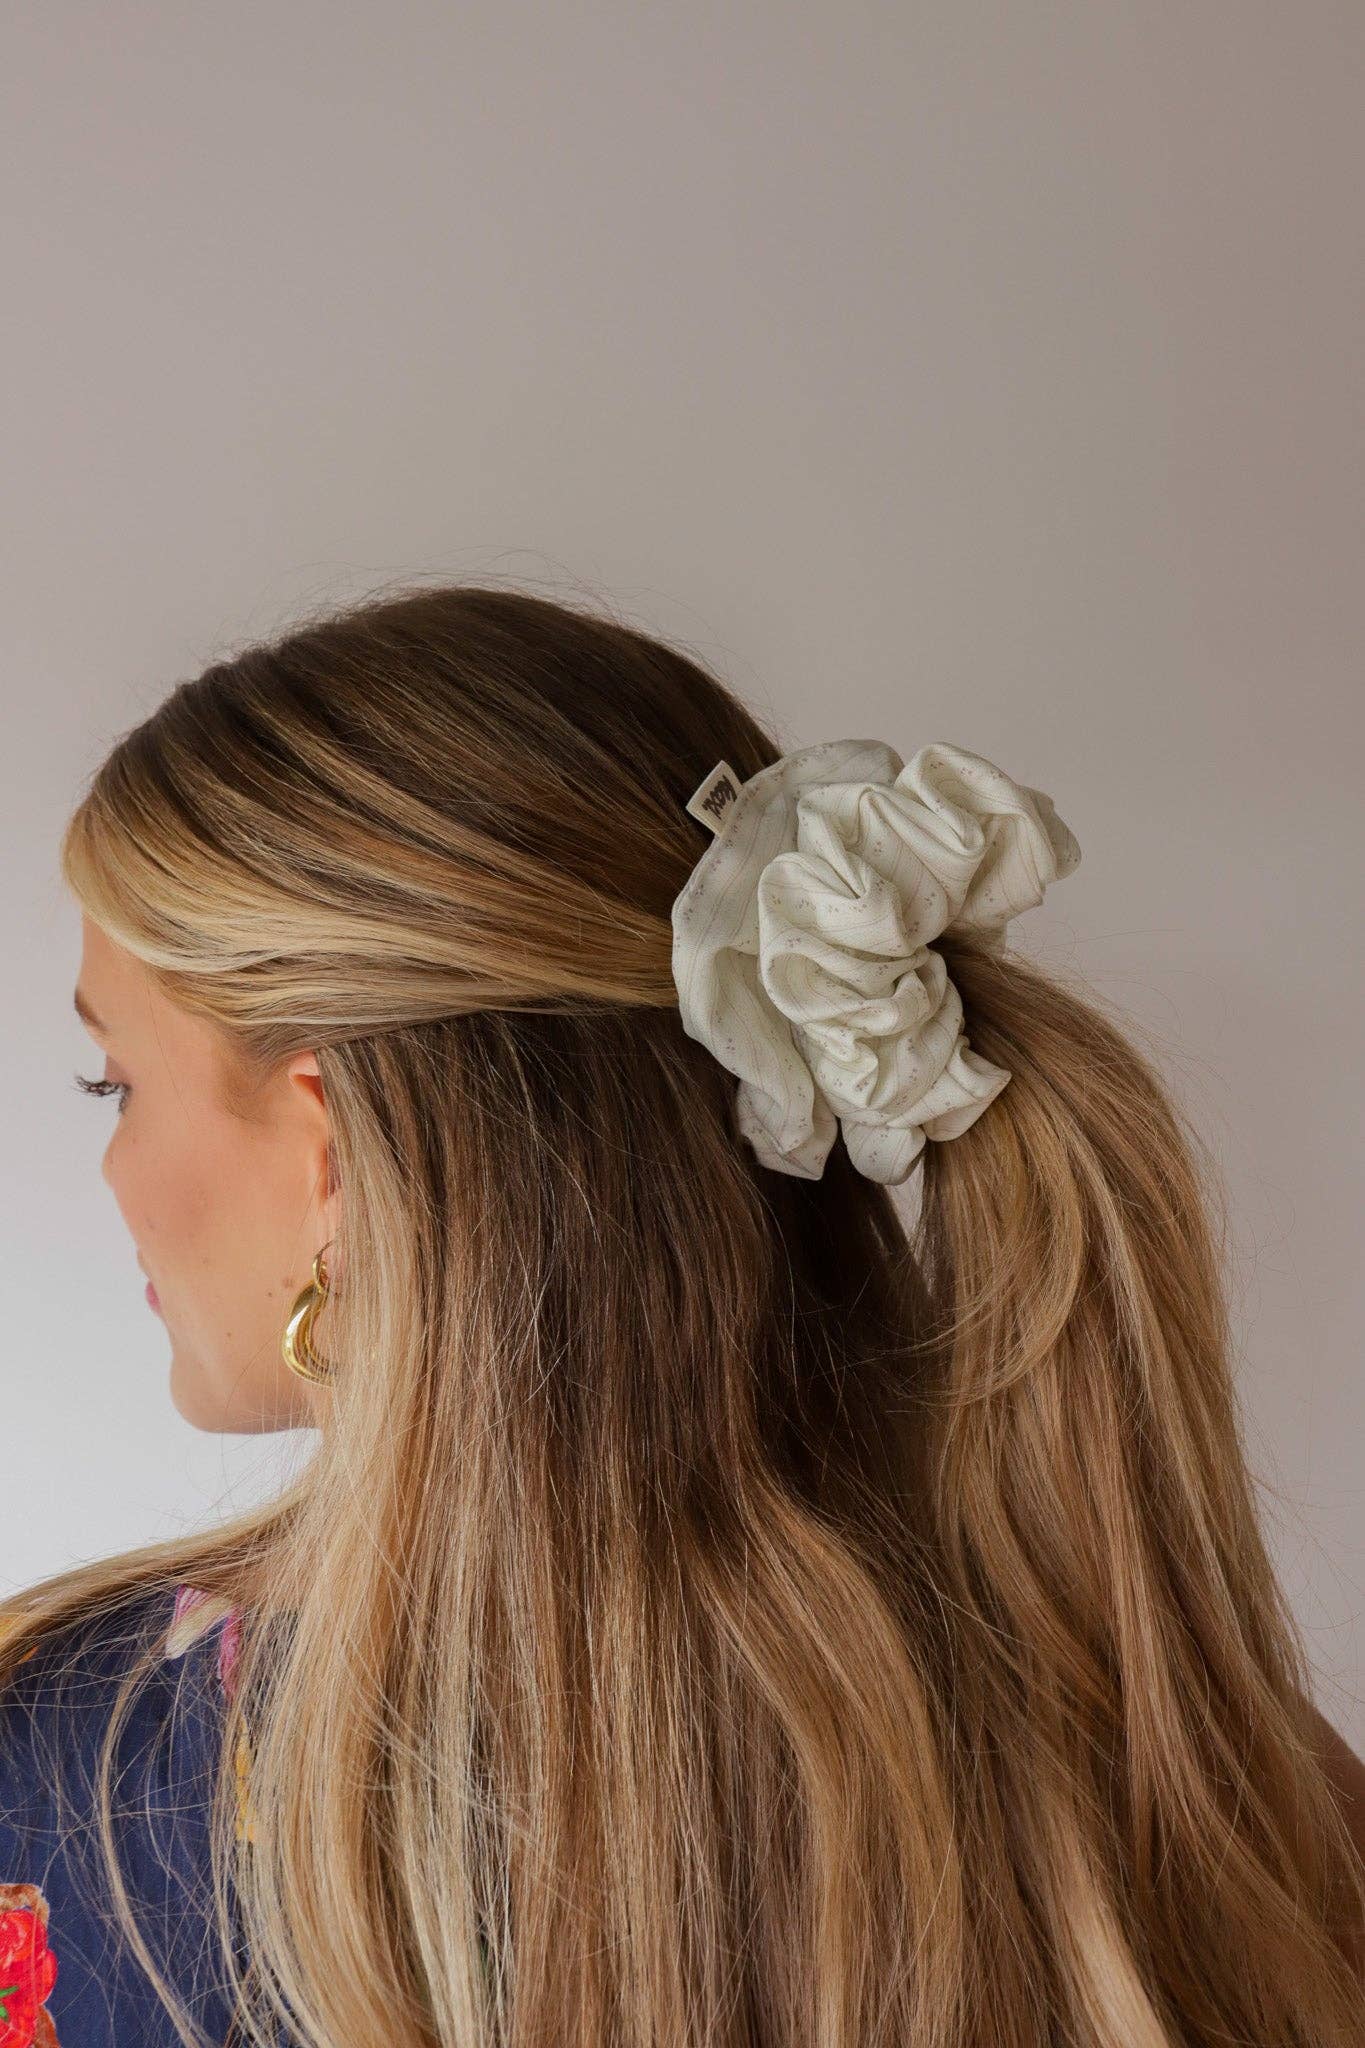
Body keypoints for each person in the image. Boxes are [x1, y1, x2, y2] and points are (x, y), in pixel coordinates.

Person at [1, 581, 1362, 2047]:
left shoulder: (72, 1773)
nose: (113, 1169)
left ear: (331, 1151)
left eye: (116, 1084)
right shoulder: (1195, 1771)